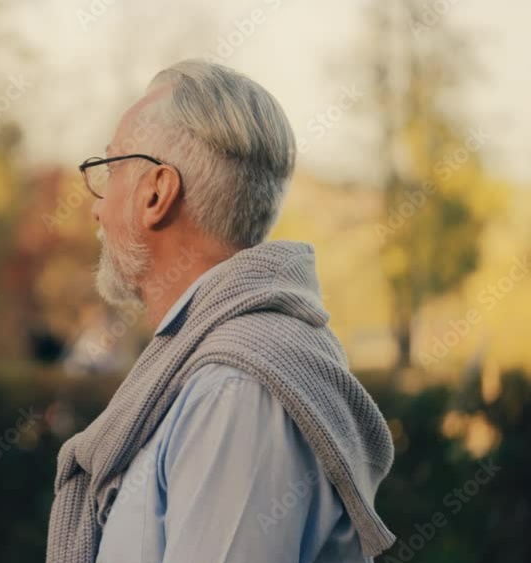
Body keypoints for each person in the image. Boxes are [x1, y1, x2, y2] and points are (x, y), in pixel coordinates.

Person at [46, 59, 396, 563]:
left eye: (109, 168)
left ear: (157, 194)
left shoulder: (237, 390)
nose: (96, 207)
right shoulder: (203, 373)